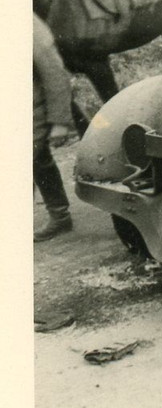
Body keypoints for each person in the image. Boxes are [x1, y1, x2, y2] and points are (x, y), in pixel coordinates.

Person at [33, 15, 78, 242]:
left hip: (32, 109)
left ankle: (60, 216)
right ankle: (60, 216)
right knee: (38, 160)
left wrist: (60, 122)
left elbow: (55, 74)